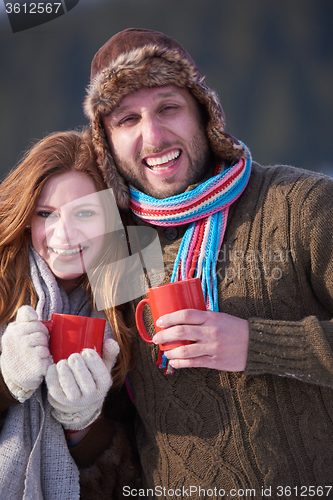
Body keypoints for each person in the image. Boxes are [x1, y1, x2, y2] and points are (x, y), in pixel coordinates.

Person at [81, 28, 333, 498]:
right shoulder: (115, 251)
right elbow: (120, 431)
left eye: (168, 107)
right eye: (127, 119)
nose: (152, 136)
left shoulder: (301, 206)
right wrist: (78, 422)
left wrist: (258, 344)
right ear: (106, 143)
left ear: (204, 112)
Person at [0, 129, 141, 499]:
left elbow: (136, 472)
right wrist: (5, 383)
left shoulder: (132, 303)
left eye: (84, 213)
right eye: (46, 214)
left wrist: (83, 424)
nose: (64, 234)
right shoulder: (2, 284)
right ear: (27, 217)